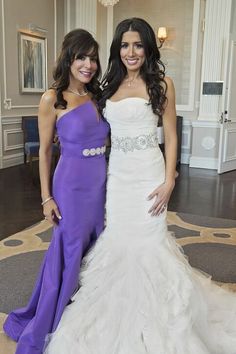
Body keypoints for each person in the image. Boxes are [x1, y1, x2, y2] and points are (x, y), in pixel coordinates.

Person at [45, 18, 236, 353]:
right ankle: (113, 310)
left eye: (137, 45)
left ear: (148, 47)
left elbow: (172, 136)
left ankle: (159, 318)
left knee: (150, 243)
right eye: (124, 45)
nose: (130, 52)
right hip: (117, 177)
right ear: (117, 49)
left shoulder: (162, 84)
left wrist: (169, 180)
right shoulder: (106, 88)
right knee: (117, 241)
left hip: (149, 175)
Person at [3, 28, 109, 354]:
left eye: (93, 57)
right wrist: (46, 197)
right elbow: (46, 152)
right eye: (81, 57)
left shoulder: (99, 95)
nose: (88, 64)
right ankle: (54, 318)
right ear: (68, 58)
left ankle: (93, 315)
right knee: (70, 252)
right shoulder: (53, 98)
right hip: (71, 187)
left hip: (101, 184)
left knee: (100, 251)